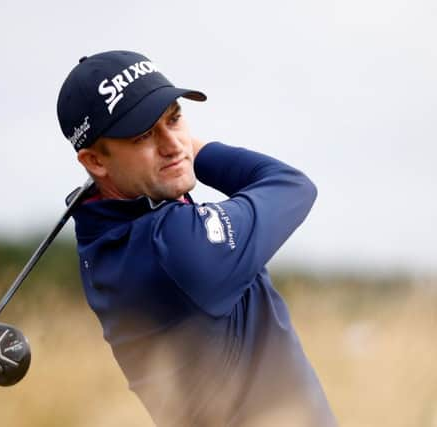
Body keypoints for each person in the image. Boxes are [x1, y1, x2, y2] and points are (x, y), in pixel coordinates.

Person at [56, 50, 337, 426]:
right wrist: (193, 154)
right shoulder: (174, 247)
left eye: (174, 118)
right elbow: (292, 187)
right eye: (143, 135)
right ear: (94, 162)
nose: (172, 143)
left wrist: (168, 159)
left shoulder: (106, 233)